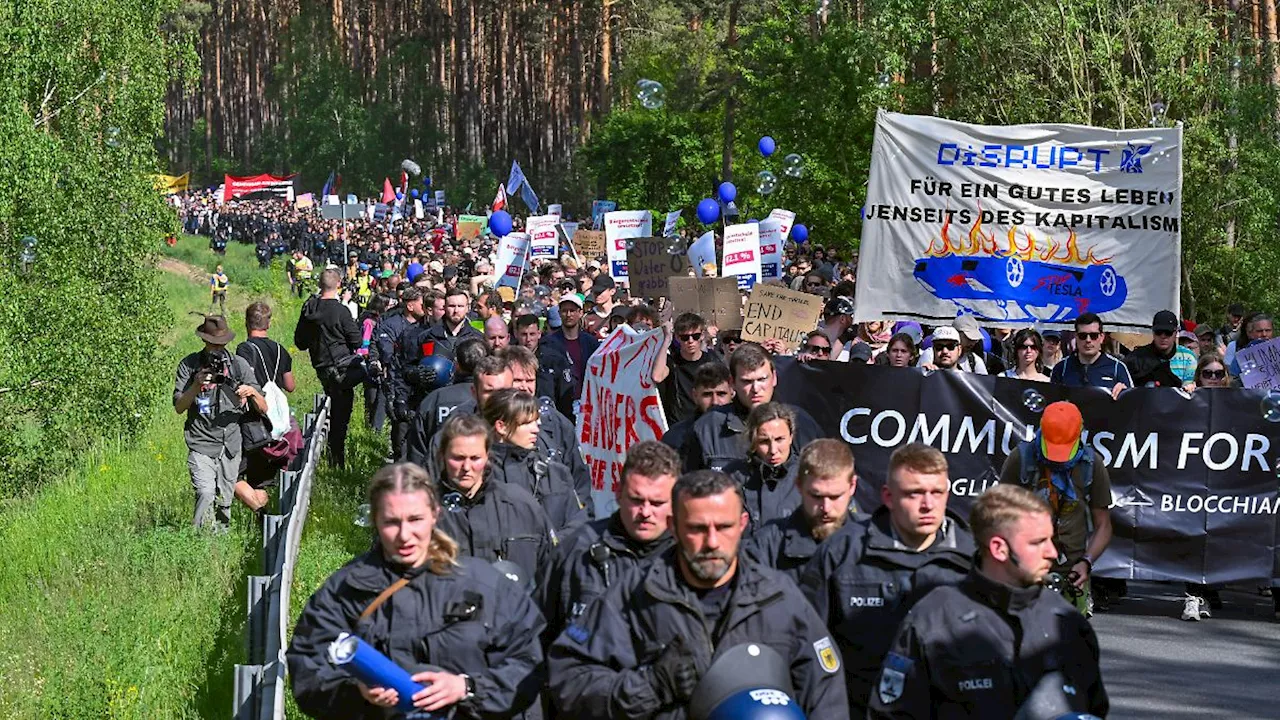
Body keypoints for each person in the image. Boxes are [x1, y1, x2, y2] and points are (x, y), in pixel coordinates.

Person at [546, 470, 849, 720]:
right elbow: (569, 679)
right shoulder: (633, 596)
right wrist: (651, 685)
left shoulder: (779, 598)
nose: (712, 542)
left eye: (724, 527)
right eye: (697, 529)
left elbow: (827, 696)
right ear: (673, 528)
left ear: (742, 525)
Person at [286, 463, 546, 719]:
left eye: (415, 519)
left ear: (435, 514)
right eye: (391, 522)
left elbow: (529, 661)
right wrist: (357, 693)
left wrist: (468, 688)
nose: (405, 535)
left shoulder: (482, 583)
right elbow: (307, 668)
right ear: (375, 520)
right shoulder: (346, 589)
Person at [867, 484, 1108, 719]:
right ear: (999, 549)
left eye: (1051, 540)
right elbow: (891, 713)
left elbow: (1093, 707)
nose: (1052, 553)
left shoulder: (1067, 623)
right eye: (1037, 542)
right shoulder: (933, 621)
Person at [802, 443, 974, 714]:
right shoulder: (842, 553)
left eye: (937, 492)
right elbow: (806, 644)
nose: (928, 504)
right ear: (888, 496)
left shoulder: (973, 560)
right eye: (914, 493)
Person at [537, 441, 678, 645]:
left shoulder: (690, 555)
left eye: (657, 503)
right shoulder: (577, 550)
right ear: (619, 493)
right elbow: (534, 634)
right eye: (636, 500)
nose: (646, 513)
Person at [1000, 400, 1113, 614]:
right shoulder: (1021, 458)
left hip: (1072, 573)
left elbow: (1103, 525)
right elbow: (997, 515)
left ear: (1079, 434)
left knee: (1071, 642)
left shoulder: (1091, 464)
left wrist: (1086, 562)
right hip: (1024, 571)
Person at [433, 414, 559, 584]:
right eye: (458, 458)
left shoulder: (521, 504)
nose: (466, 467)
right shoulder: (424, 511)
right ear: (442, 456)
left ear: (487, 457)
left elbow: (553, 571)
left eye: (475, 458)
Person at [173, 315, 266, 530]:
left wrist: (250, 392)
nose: (217, 349)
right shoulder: (189, 365)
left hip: (230, 444)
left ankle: (219, 543)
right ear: (204, 341)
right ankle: (201, 541)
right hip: (201, 442)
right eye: (213, 344)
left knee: (224, 501)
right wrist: (196, 386)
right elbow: (179, 407)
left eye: (221, 344)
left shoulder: (237, 365)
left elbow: (263, 407)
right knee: (205, 493)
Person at [683, 342, 823, 472]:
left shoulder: (801, 423)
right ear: (732, 382)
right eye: (747, 381)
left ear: (774, 378)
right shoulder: (709, 427)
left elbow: (822, 478)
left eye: (762, 379)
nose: (756, 389)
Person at [745, 439, 859, 583]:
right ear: (798, 485)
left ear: (852, 486)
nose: (826, 508)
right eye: (816, 496)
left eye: (835, 497)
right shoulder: (767, 547)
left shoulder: (872, 544)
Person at [482, 388, 588, 532]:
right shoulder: (478, 473)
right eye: (526, 423)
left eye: (536, 422)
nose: (536, 430)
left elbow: (578, 522)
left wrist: (552, 546)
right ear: (501, 427)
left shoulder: (555, 473)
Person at [498, 345, 593, 502]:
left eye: (529, 381)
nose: (524, 387)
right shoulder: (488, 419)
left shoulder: (557, 423)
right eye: (518, 380)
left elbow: (580, 481)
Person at [294, 268, 365, 468]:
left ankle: (331, 455)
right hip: (341, 368)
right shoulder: (341, 310)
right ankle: (337, 461)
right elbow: (356, 340)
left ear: (319, 285)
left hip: (321, 366)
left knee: (332, 409)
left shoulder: (308, 309)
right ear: (339, 285)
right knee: (341, 416)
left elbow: (300, 342)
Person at [234, 302, 297, 513]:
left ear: (246, 322)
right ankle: (266, 526)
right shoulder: (280, 350)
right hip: (274, 425)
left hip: (252, 421)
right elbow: (290, 386)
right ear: (268, 324)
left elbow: (241, 380)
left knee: (231, 475)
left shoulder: (244, 349)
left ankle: (263, 516)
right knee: (260, 481)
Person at [723, 402, 803, 531]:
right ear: (753, 441)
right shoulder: (732, 477)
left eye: (779, 439)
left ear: (791, 437)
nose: (773, 450)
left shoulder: (807, 476)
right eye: (764, 441)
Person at [376, 287, 425, 459]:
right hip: (398, 382)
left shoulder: (427, 327)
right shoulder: (392, 324)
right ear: (410, 306)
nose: (425, 307)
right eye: (421, 303)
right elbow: (387, 353)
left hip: (419, 386)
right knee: (401, 434)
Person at [655, 313, 722, 426]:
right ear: (677, 337)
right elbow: (657, 376)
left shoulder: (712, 361)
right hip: (679, 425)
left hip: (706, 422)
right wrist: (666, 340)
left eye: (695, 336)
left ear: (702, 336)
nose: (690, 341)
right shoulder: (672, 362)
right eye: (685, 337)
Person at [1049, 311, 1133, 399]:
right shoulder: (1061, 368)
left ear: (1101, 337)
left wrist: (1125, 393)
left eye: (1093, 336)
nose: (1088, 340)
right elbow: (1052, 401)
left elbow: (1133, 404)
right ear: (1076, 337)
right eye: (1083, 336)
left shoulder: (1117, 368)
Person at [540, 294, 599, 416]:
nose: (568, 315)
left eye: (572, 311)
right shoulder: (548, 343)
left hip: (587, 404)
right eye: (564, 311)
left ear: (580, 312)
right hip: (561, 406)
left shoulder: (591, 343)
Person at [661, 361, 733, 456]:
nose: (715, 402)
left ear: (732, 393)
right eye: (707, 394)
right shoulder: (676, 437)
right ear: (695, 396)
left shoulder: (747, 433)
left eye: (721, 394)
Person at [1124, 310, 1197, 389]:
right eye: (1158, 332)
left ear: (1176, 332)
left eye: (1168, 332)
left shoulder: (1189, 358)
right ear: (1153, 332)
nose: (1163, 336)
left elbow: (1188, 393)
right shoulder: (1135, 358)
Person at [422, 287, 485, 359]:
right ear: (445, 307)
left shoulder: (478, 338)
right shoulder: (426, 337)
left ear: (468, 308)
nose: (456, 310)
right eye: (452, 306)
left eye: (460, 306)